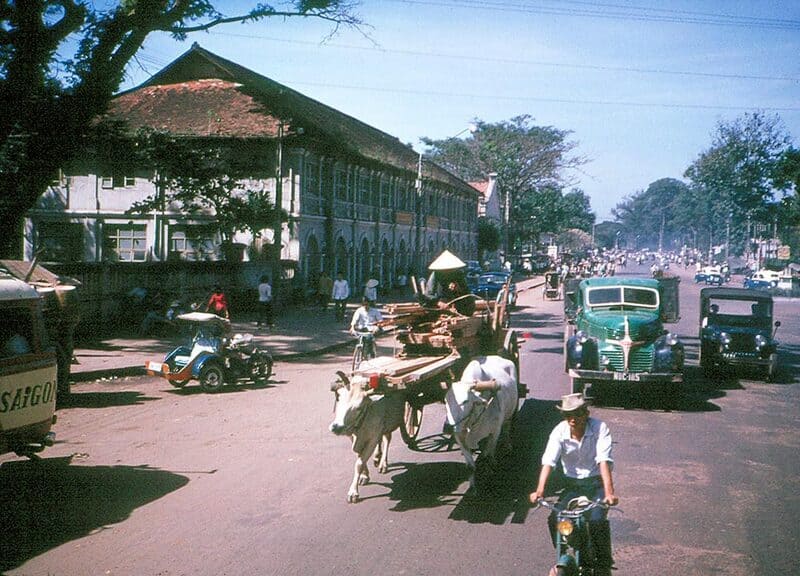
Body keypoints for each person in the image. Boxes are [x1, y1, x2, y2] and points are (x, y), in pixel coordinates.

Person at [529, 393, 619, 574]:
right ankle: (571, 549)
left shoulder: (600, 428)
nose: (572, 419)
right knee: (556, 518)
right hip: (572, 485)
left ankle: (603, 562)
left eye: (577, 414)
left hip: (596, 484)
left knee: (596, 520)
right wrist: (539, 491)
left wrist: (609, 493)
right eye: (568, 415)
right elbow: (549, 461)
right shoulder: (559, 431)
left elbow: (603, 461)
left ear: (586, 413)